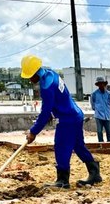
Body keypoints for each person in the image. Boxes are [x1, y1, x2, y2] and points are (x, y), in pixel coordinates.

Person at [20, 54, 102, 189]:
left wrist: (33, 132)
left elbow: (45, 112)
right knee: (78, 146)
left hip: (67, 119)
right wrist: (53, 111)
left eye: (29, 75)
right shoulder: (51, 74)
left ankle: (63, 181)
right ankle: (95, 173)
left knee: (61, 147)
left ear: (35, 72)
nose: (29, 79)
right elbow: (57, 100)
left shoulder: (46, 87)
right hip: (75, 114)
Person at [91, 76, 110, 142]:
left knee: (108, 131)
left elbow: (109, 102)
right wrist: (97, 109)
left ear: (104, 84)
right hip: (99, 116)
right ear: (98, 85)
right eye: (100, 84)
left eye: (102, 84)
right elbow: (93, 103)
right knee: (99, 131)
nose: (101, 85)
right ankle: (101, 144)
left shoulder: (108, 94)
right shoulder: (94, 94)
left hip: (107, 115)